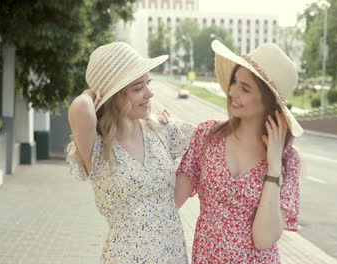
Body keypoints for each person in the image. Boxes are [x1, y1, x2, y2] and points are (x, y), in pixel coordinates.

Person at [175, 40, 304, 263]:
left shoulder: (287, 161)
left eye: (245, 88)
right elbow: (171, 200)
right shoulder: (207, 136)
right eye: (234, 81)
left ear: (268, 102)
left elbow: (264, 240)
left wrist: (273, 166)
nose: (232, 92)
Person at [65, 42, 194, 263]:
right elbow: (81, 107)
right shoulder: (97, 146)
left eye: (148, 83)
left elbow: (210, 138)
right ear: (114, 96)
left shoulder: (160, 129)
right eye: (137, 88)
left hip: (173, 255)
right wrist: (98, 91)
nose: (150, 93)